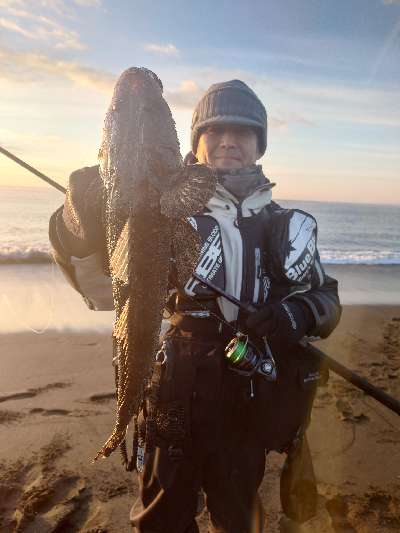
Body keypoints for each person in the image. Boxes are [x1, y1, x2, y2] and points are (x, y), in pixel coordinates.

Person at [49, 79, 341, 533]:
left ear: (259, 144)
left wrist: (294, 314)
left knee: (239, 517)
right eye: (214, 130)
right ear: (195, 141)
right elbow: (102, 292)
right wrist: (75, 225)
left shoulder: (285, 224)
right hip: (173, 394)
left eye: (241, 132)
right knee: (161, 519)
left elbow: (326, 300)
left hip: (248, 399)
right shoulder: (155, 208)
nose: (227, 141)